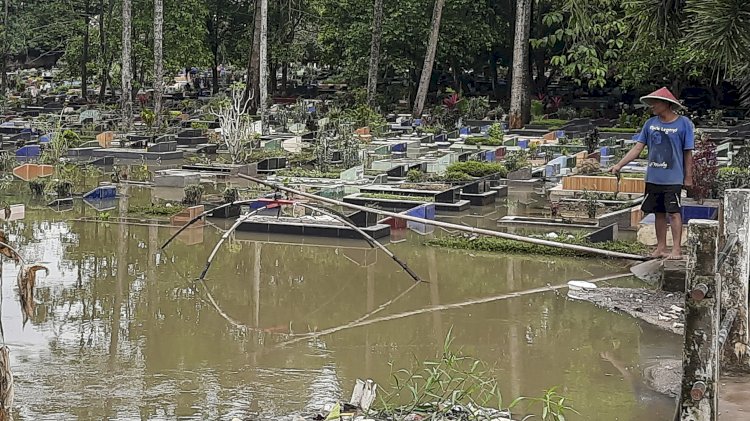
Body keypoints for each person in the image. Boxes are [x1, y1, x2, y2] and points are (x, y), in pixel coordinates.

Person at [609, 87, 694, 259]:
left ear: (666, 104)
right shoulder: (650, 124)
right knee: (658, 213)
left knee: (674, 213)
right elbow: (638, 148)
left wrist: (688, 176)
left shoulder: (683, 124)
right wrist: (619, 165)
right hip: (654, 177)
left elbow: (688, 152)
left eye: (655, 103)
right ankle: (660, 247)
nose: (652, 106)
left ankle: (676, 249)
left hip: (673, 177)